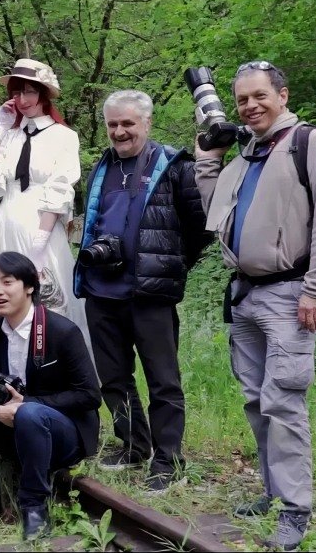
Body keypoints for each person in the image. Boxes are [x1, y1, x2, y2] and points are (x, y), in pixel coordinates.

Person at [194, 61, 316, 551]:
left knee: (284, 401)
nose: (250, 106)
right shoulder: (247, 154)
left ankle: (295, 509)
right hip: (245, 294)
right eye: (242, 100)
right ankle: (270, 490)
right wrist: (208, 157)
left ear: (282, 94)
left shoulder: (311, 144)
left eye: (260, 96)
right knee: (257, 400)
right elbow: (214, 209)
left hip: (290, 294)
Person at [73, 89, 211, 493]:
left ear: (147, 124)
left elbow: (200, 225)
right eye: (113, 124)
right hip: (102, 289)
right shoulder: (102, 166)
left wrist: (171, 261)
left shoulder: (173, 165)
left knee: (163, 380)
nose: (119, 131)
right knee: (112, 377)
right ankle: (134, 445)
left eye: (128, 123)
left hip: (151, 292)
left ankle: (168, 460)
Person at [0, 252, 100, 540]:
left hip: (62, 434)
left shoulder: (62, 331)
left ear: (29, 286)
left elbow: (89, 395)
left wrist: (28, 405)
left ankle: (34, 506)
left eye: (7, 282)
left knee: (29, 412)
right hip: (13, 425)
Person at [0, 58, 89, 363]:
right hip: (6, 224)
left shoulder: (64, 136)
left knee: (47, 303)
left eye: (30, 92)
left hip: (41, 229)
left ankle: (50, 373)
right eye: (17, 92)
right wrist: (0, 128)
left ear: (44, 95)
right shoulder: (9, 136)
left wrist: (39, 242)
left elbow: (60, 188)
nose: (23, 100)